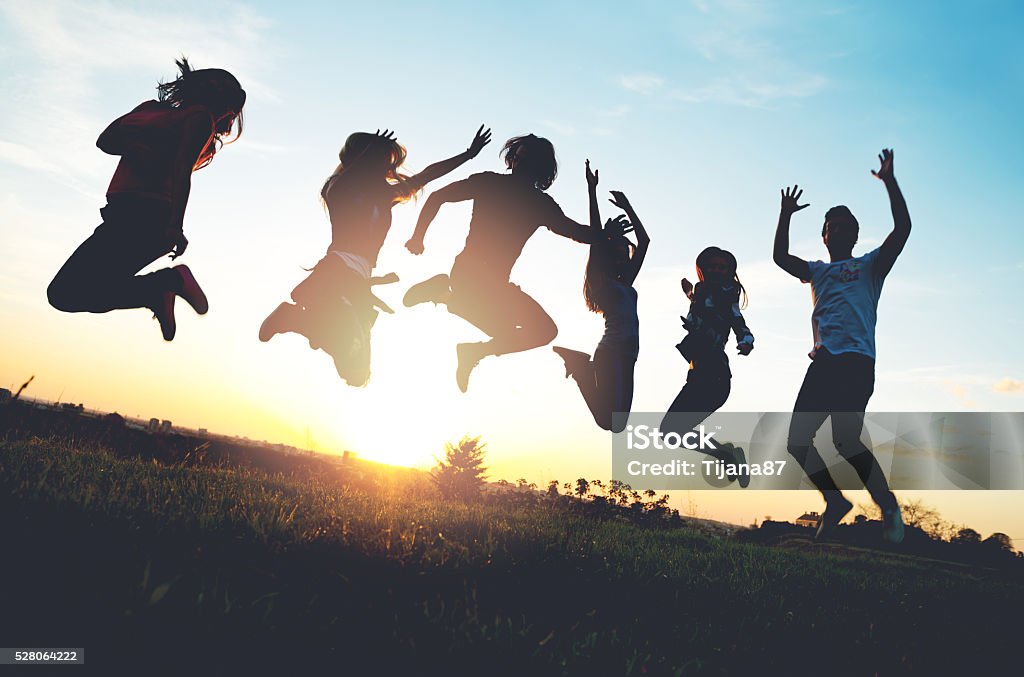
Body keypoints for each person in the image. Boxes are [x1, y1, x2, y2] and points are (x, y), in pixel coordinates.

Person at [259, 126, 491, 386]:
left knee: (357, 373)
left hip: (360, 277)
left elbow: (428, 175)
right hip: (338, 270)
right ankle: (296, 318)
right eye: (381, 161)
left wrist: (468, 154)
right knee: (351, 349)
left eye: (387, 162)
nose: (386, 168)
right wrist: (368, 153)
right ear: (362, 161)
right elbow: (351, 171)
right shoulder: (338, 188)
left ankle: (302, 321)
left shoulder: (385, 195)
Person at [47, 58, 246, 340]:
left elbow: (180, 171)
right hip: (123, 217)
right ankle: (159, 289)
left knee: (65, 293)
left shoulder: (199, 118)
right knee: (65, 294)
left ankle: (164, 285)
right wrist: (144, 132)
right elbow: (106, 141)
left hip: (147, 219)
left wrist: (175, 225)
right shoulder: (154, 111)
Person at [773, 148, 911, 543]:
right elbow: (781, 256)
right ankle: (835, 502)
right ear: (825, 235)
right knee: (798, 441)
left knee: (845, 438)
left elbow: (902, 230)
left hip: (856, 362)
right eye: (832, 225)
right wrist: (785, 214)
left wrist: (890, 182)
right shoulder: (816, 271)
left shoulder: (870, 266)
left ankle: (886, 505)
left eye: (847, 225)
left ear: (855, 234)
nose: (839, 229)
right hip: (824, 363)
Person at [403, 133, 594, 392]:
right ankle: (450, 302)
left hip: (487, 283)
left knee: (538, 332)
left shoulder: (536, 202)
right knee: (538, 331)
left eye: (522, 156)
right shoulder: (505, 189)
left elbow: (581, 233)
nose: (517, 160)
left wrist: (418, 238)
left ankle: (462, 327)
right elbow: (581, 233)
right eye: (518, 156)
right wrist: (417, 236)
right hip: (474, 277)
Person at [552, 161, 648, 432]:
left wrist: (628, 207)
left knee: (614, 423)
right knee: (612, 424)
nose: (623, 254)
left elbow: (645, 243)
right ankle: (581, 367)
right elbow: (596, 238)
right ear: (607, 255)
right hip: (612, 352)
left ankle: (580, 366)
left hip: (628, 355)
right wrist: (591, 191)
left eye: (624, 251)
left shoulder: (625, 281)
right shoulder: (601, 282)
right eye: (616, 250)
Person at [661, 247, 754, 487]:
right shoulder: (703, 292)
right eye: (712, 265)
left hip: (714, 376)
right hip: (699, 373)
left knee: (670, 431)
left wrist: (746, 341)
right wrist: (690, 292)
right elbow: (702, 305)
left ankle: (727, 455)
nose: (717, 270)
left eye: (722, 267)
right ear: (703, 268)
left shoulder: (728, 294)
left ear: (730, 272)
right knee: (671, 432)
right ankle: (726, 455)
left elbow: (737, 319)